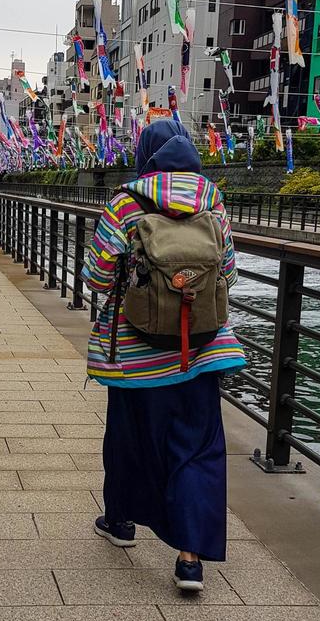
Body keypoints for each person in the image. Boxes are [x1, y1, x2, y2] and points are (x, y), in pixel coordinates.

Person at [82, 120, 245, 591]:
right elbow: (228, 276)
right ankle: (189, 559)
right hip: (201, 350)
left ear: (146, 157)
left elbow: (95, 278)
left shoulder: (124, 203)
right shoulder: (212, 202)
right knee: (196, 448)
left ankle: (121, 522)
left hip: (135, 353)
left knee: (129, 440)